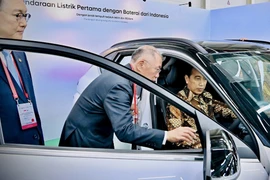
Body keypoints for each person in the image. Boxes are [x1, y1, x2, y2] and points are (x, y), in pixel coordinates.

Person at [59, 45, 196, 149]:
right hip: (84, 142)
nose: (158, 75)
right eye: (157, 69)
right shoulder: (119, 85)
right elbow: (124, 131)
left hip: (96, 136)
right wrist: (168, 135)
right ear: (141, 64)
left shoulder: (125, 76)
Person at [0, 0, 44, 145]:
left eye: (25, 16)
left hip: (31, 150)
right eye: (18, 15)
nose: (24, 23)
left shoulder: (19, 53)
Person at [166, 66, 237, 149]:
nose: (202, 83)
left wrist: (240, 115)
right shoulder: (177, 103)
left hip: (213, 140)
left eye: (205, 79)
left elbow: (223, 109)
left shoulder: (206, 97)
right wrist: (209, 145)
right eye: (197, 78)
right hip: (195, 151)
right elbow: (177, 136)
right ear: (187, 79)